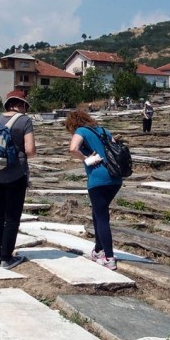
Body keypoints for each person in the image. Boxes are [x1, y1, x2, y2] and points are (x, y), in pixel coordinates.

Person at [0, 90, 36, 270]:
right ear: (21, 105)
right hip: (15, 174)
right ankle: (7, 257)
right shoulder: (24, 121)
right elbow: (30, 150)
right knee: (12, 217)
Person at [65, 109, 122, 270]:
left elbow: (73, 148)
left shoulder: (81, 131)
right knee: (98, 212)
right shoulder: (104, 130)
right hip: (115, 178)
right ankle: (98, 249)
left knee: (102, 216)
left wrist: (85, 158)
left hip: (98, 178)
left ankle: (109, 257)